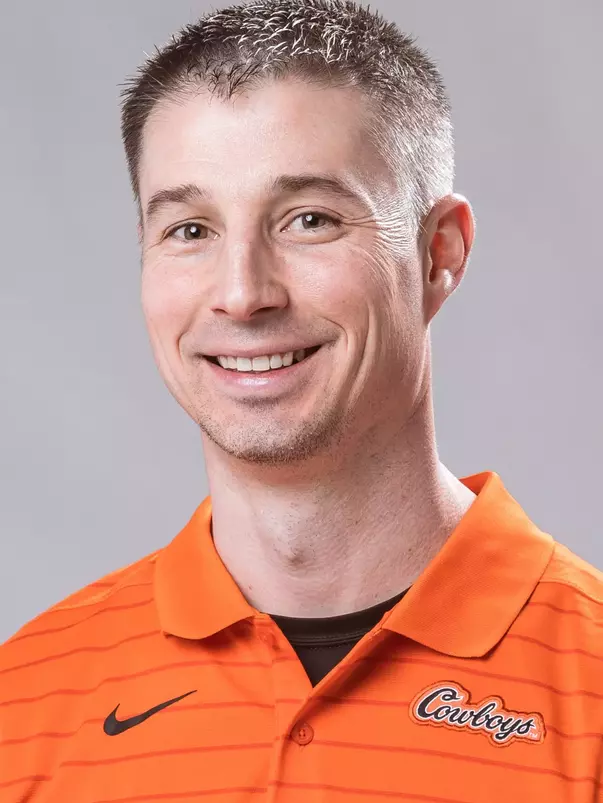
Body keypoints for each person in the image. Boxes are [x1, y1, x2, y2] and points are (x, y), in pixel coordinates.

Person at [1, 0, 602, 800]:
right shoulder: (27, 697)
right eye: (190, 229)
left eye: (308, 219)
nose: (242, 293)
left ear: (438, 254)